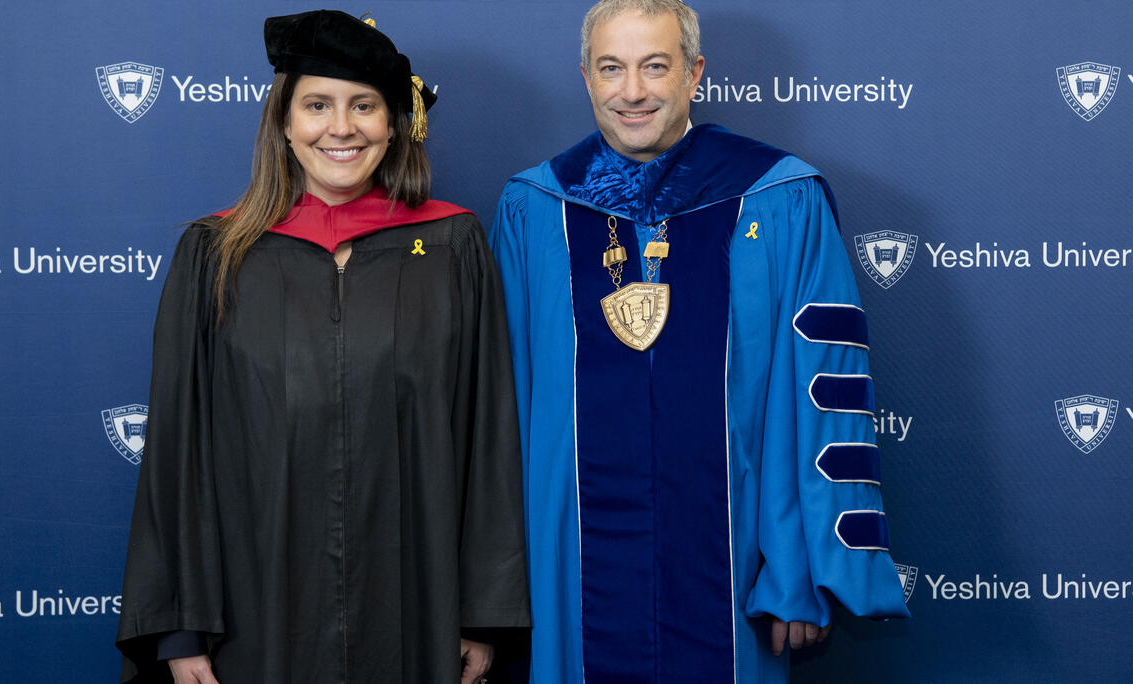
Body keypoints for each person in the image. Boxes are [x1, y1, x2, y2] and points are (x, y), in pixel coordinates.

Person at [489, 0, 909, 681]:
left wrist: (794, 572)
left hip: (736, 562)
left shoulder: (780, 199)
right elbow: (503, 415)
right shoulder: (535, 208)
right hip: (570, 568)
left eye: (655, 66)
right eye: (611, 68)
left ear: (695, 74)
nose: (632, 91)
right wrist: (496, 595)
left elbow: (819, 398)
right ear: (586, 77)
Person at [116, 10, 529, 684]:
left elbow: (488, 443)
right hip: (253, 615)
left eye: (363, 106)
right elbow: (176, 450)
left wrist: (482, 616)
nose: (341, 127)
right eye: (317, 105)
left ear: (394, 123)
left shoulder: (452, 248)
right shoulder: (217, 255)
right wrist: (181, 629)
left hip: (415, 609)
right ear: (283, 121)